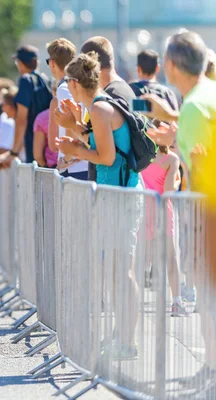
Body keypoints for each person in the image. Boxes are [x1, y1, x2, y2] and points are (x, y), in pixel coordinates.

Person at [56, 52, 141, 359]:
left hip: (120, 195)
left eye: (67, 82)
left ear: (76, 82)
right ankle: (122, 337)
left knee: (122, 271)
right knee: (115, 270)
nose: (66, 87)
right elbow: (101, 144)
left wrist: (74, 147)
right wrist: (74, 127)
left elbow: (104, 157)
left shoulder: (101, 107)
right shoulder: (98, 106)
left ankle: (128, 343)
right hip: (113, 194)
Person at [142, 31, 216, 381]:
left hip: (209, 211)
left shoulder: (194, 107)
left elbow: (204, 167)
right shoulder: (205, 97)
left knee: (211, 298)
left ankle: (212, 370)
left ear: (170, 65)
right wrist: (173, 132)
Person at [78, 37, 136, 182]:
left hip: (113, 184)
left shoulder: (107, 97)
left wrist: (72, 127)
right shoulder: (126, 89)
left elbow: (102, 150)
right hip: (124, 181)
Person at [141, 146, 187, 316]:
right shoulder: (171, 159)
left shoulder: (142, 154)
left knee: (141, 259)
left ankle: (130, 302)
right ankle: (176, 302)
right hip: (162, 208)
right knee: (171, 257)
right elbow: (168, 189)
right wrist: (177, 180)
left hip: (143, 207)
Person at [0, 45, 52, 167]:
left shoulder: (25, 80)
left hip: (33, 145)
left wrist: (14, 152)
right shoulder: (45, 80)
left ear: (20, 63)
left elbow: (21, 119)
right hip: (48, 147)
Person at [45, 38, 88, 180]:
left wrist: (68, 158)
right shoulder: (79, 84)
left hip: (74, 168)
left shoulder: (64, 88)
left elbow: (72, 120)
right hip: (83, 163)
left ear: (52, 63)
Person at [33, 82, 58, 168]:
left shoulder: (42, 117)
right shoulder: (81, 112)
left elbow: (38, 155)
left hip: (52, 167)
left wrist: (45, 167)